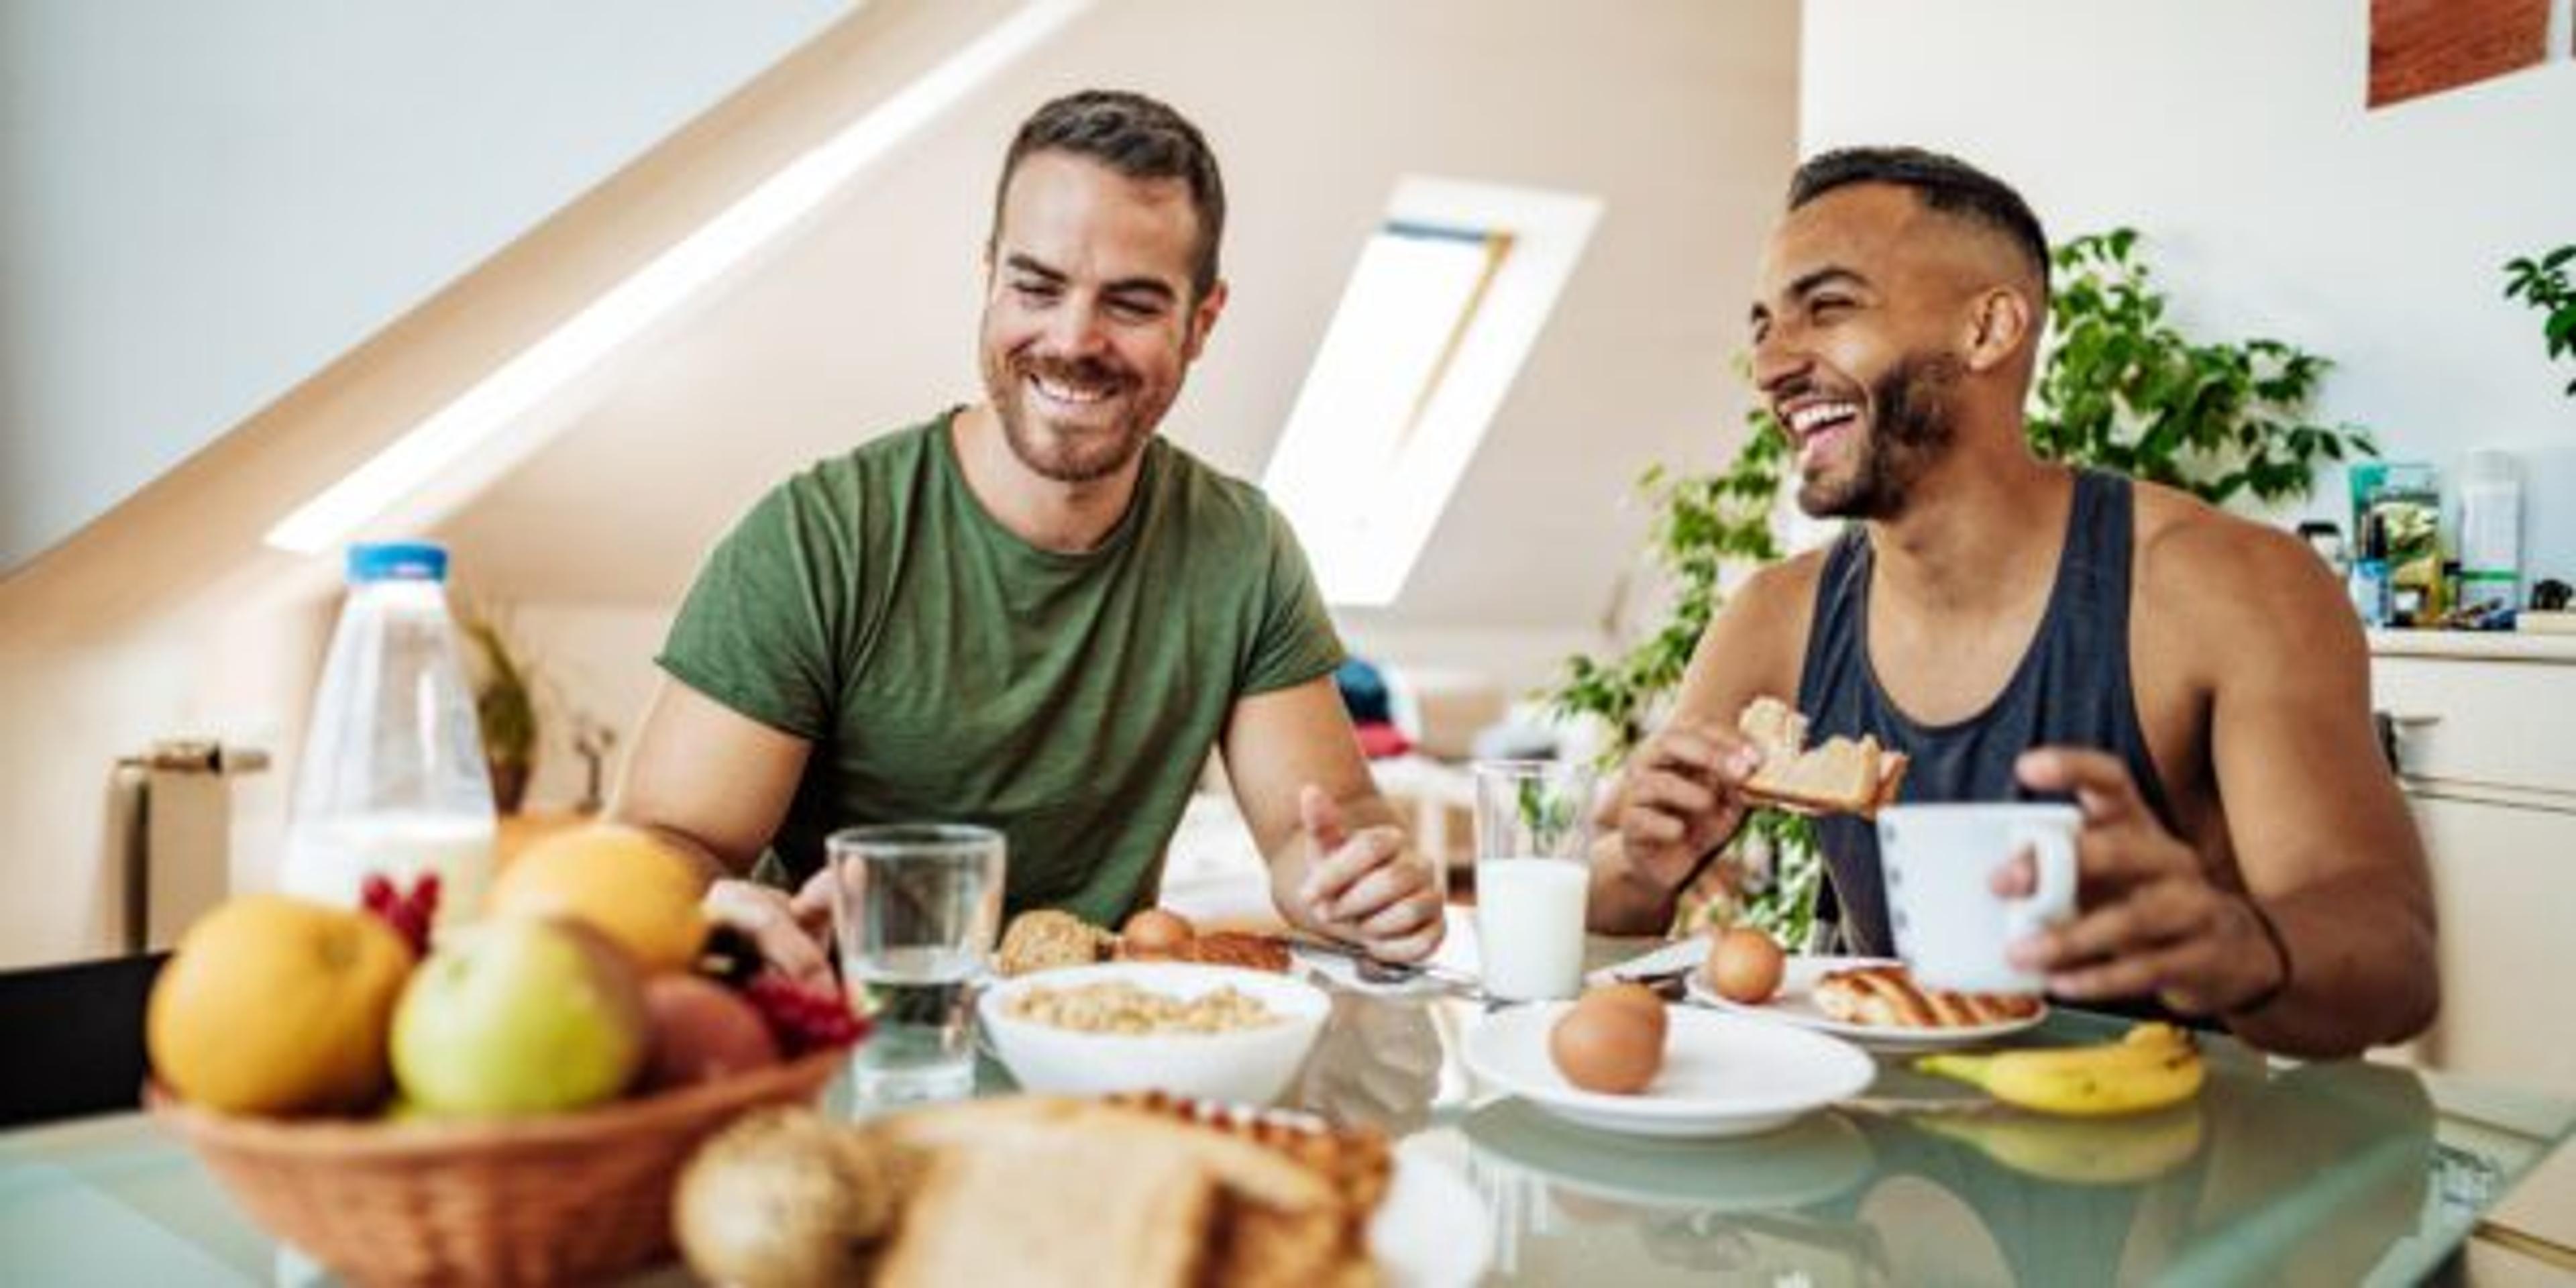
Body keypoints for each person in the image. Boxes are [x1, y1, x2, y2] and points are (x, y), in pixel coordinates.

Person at [1591, 146, 2436, 1058]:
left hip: (2166, 1167)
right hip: (1891, 1160)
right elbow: (1605, 901)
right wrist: (1641, 865)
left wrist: (2242, 948)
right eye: (1764, 326)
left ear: (1990, 328)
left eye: (1828, 308)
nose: (1772, 365)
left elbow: (2396, 967)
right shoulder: (1773, 617)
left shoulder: (2226, 588)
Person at [610, 89, 1443, 981]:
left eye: (1130, 304)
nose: (1072, 340)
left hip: (1099, 1045)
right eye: (1037, 287)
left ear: (1202, 322)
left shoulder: (1242, 548)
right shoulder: (820, 539)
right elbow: (664, 843)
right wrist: (702, 899)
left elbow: (1319, 825)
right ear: (991, 278)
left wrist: (1360, 884)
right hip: (855, 1040)